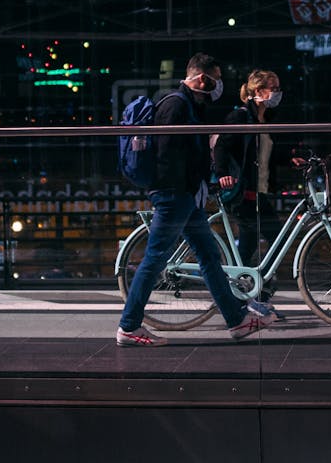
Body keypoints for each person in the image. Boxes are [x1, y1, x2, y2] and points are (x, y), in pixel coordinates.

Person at [117, 52, 278, 347]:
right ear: (203, 78)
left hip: (185, 197)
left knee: (209, 257)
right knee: (155, 260)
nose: (218, 86)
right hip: (175, 196)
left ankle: (237, 320)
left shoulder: (186, 104)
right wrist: (192, 185)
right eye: (216, 79)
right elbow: (168, 156)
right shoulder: (176, 105)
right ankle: (128, 326)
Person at [213, 68, 301, 299]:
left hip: (259, 191)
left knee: (251, 243)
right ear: (259, 91)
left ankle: (247, 290)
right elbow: (222, 145)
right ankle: (255, 287)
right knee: (277, 239)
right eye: (274, 88)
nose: (278, 93)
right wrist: (222, 173)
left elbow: (265, 155)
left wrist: (289, 158)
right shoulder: (241, 117)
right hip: (242, 190)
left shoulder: (265, 119)